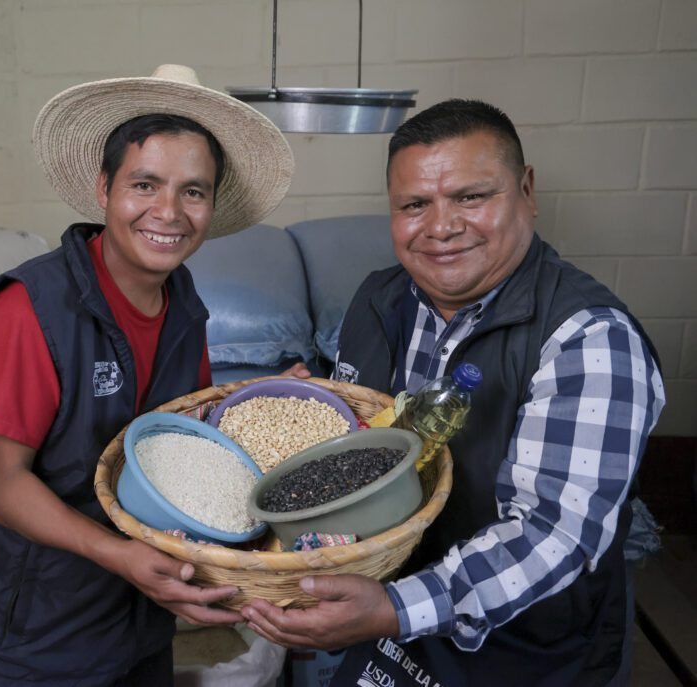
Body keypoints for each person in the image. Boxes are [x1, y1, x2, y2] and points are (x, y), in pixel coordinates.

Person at [241, 99, 665, 687]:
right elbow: (368, 444)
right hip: (394, 621)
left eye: (471, 196)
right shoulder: (378, 299)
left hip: (527, 649)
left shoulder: (588, 340)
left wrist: (392, 609)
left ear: (527, 191)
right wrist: (313, 409)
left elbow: (552, 534)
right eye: (414, 204)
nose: (440, 226)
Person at [0, 64, 295, 686]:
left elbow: (180, 437)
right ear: (104, 188)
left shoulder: (182, 301)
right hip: (32, 631)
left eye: (194, 191)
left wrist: (260, 404)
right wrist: (121, 557)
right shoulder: (29, 312)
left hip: (134, 616)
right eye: (145, 184)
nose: (170, 212)